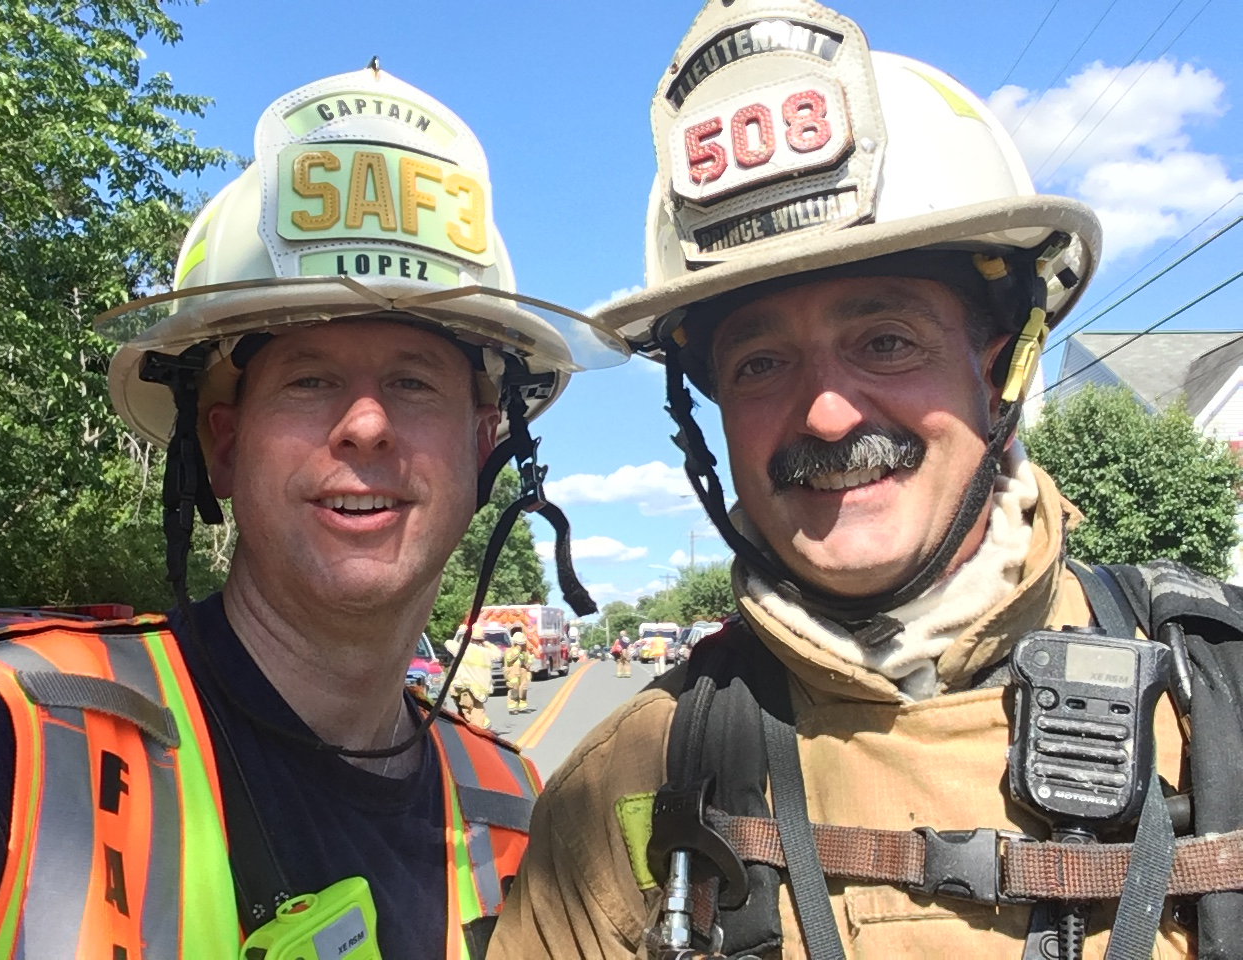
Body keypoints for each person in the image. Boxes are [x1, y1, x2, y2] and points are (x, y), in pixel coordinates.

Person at [490, 3, 1243, 958]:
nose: (827, 414)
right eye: (760, 363)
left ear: (1003, 361)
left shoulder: (1217, 699)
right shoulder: (625, 786)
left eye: (886, 342)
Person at [0, 63, 626, 958]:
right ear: (224, 445)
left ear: (482, 447)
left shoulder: (513, 811)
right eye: (310, 380)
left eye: (413, 382)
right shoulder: (12, 734)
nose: (365, 425)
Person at [446, 625, 497, 730]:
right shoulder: (486, 652)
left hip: (463, 687)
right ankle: (479, 728)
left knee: (468, 711)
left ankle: (475, 731)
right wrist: (487, 643)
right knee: (476, 710)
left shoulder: (463, 649)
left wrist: (460, 633)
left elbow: (448, 643)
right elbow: (498, 654)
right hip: (480, 690)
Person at [504, 629, 532, 713]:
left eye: (522, 644)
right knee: (513, 690)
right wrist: (517, 650)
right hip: (512, 674)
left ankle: (522, 707)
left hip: (522, 673)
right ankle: (512, 708)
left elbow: (527, 662)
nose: (522, 645)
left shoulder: (524, 652)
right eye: (520, 644)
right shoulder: (509, 651)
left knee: (523, 689)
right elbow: (509, 659)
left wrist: (527, 662)